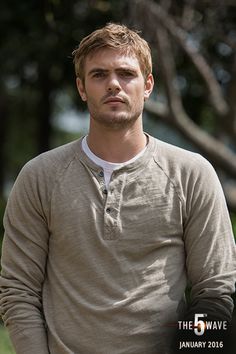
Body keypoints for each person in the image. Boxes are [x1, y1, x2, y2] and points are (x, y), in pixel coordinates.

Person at [0, 22, 235, 354]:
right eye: (99, 75)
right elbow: (18, 290)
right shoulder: (40, 176)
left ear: (148, 84)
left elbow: (214, 291)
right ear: (81, 88)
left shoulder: (191, 174)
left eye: (126, 73)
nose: (113, 84)